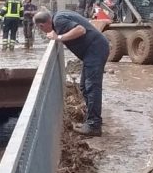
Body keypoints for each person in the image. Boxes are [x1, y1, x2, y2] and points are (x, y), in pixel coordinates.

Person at [34, 8, 109, 136]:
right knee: (84, 87)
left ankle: (94, 125)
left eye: (41, 29)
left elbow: (81, 30)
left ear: (42, 25)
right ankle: (91, 120)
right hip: (92, 51)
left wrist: (59, 37)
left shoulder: (59, 21)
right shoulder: (59, 16)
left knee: (92, 87)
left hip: (95, 50)